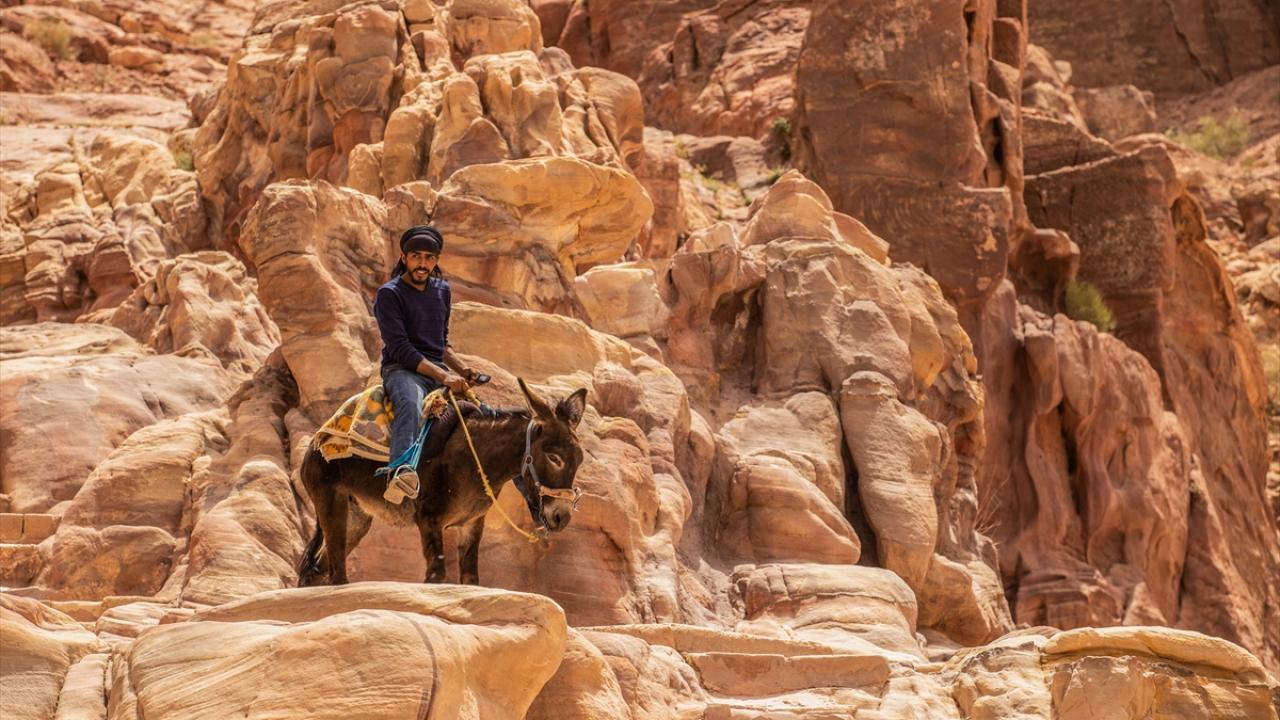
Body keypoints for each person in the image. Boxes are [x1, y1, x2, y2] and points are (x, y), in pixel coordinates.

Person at [374, 225, 476, 503]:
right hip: (402, 370)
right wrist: (444, 378)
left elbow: (440, 344)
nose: (423, 263)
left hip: (437, 371)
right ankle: (399, 472)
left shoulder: (442, 291)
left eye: (429, 257)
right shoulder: (389, 294)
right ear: (404, 258)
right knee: (410, 403)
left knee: (484, 415)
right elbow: (401, 348)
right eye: (416, 256)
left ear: (436, 260)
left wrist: (463, 370)